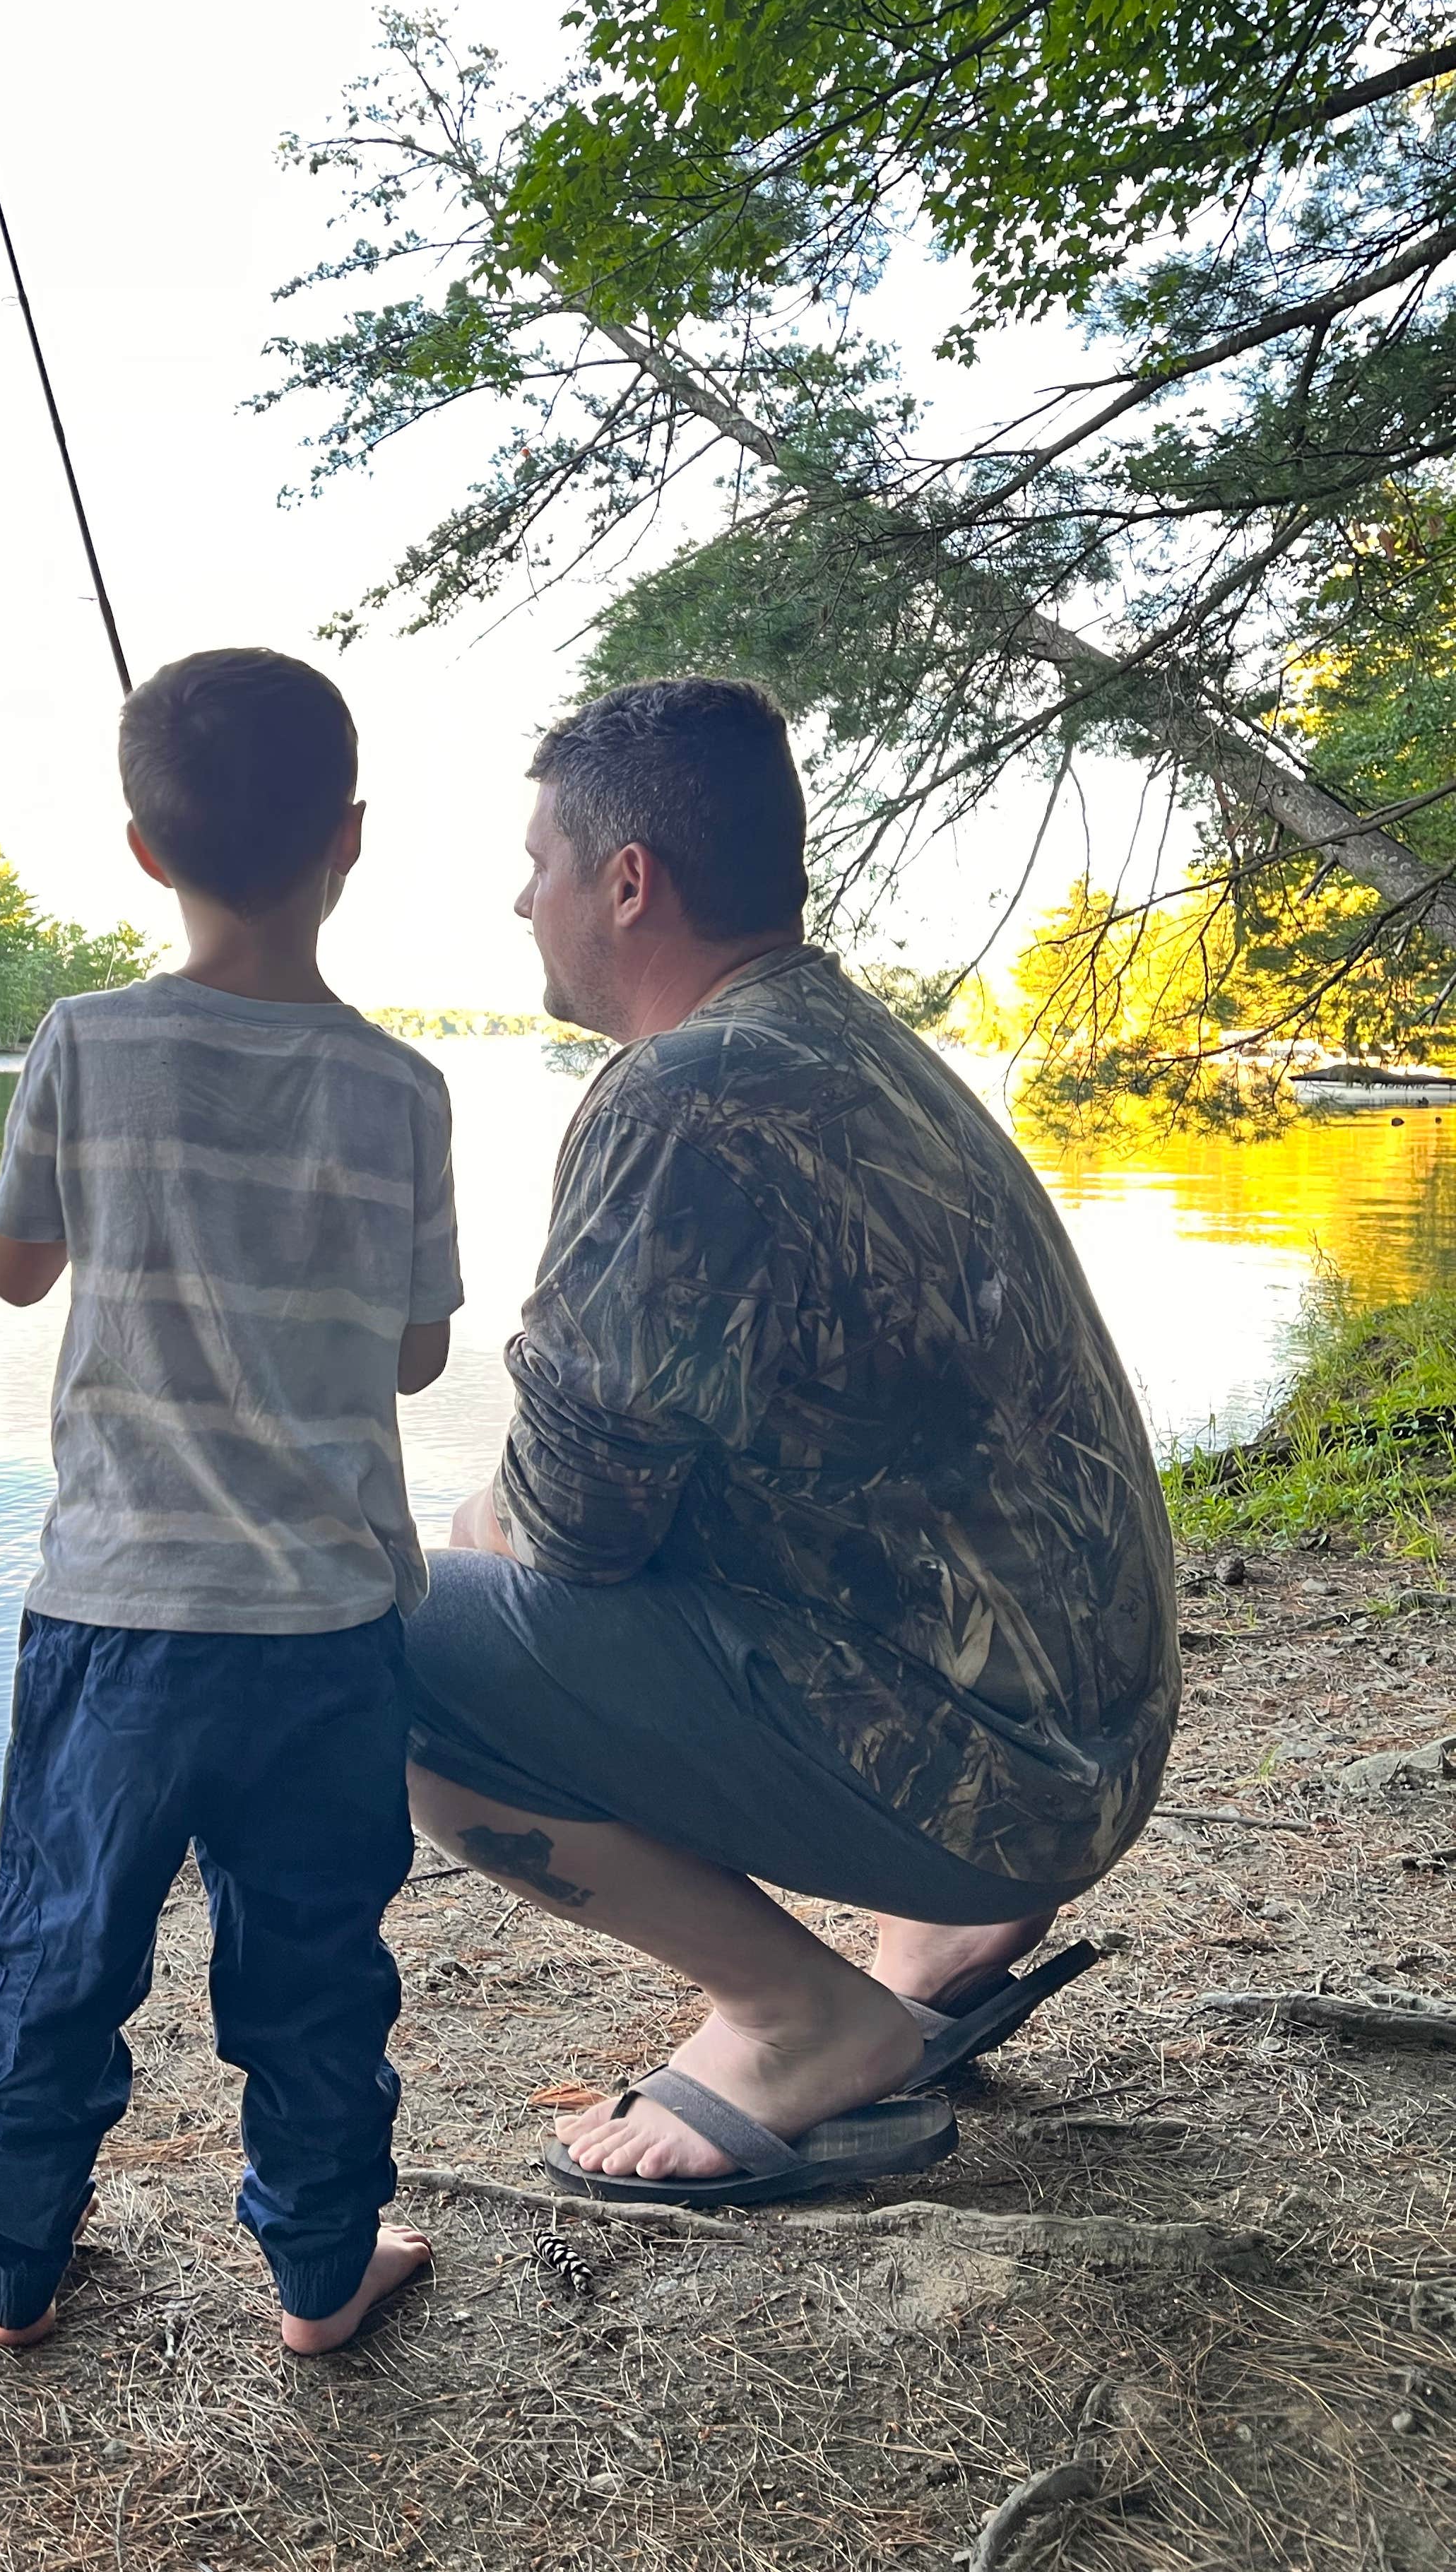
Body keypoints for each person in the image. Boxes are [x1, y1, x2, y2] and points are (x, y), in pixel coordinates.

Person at [406, 676, 1178, 2207]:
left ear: (628, 884)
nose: (520, 898)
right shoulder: (841, 1044)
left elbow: (575, 1529)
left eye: (540, 864)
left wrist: (470, 1535)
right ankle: (939, 1938)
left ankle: (799, 2014)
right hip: (1092, 1748)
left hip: (1000, 1781)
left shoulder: (682, 1095)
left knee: (377, 1626)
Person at [0, 647, 458, 2350]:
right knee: (314, 1976)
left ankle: (13, 2271)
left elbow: (17, 1275)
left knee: (60, 1955)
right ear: (352, 839)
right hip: (325, 1630)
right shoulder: (405, 1090)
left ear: (145, 852)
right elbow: (418, 1358)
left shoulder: (86, 1043)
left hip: (115, 1621)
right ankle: (320, 2274)